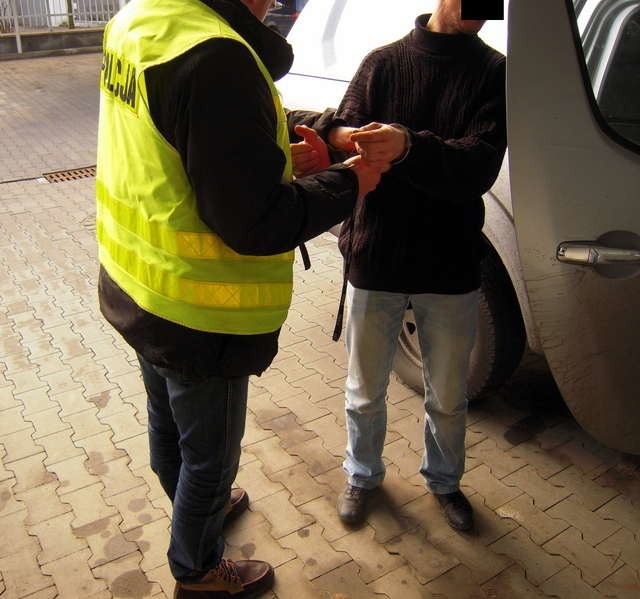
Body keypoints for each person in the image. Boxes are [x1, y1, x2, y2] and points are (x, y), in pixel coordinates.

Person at [95, 0, 386, 597]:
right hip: (201, 312)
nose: (278, 1)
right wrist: (349, 181)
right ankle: (198, 570)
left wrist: (325, 130)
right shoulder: (218, 55)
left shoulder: (143, 19)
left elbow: (218, 122)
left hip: (140, 285)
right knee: (209, 457)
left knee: (168, 425)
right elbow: (256, 221)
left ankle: (194, 510)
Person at [302, 0, 507, 532]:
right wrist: (348, 139)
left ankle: (444, 481)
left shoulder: (495, 72)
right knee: (365, 388)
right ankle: (362, 474)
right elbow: (341, 131)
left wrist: (406, 147)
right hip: (377, 253)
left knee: (448, 394)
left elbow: (478, 165)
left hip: (452, 260)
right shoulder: (382, 63)